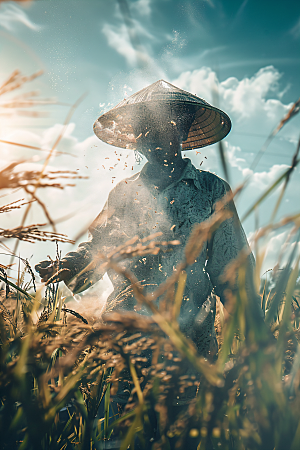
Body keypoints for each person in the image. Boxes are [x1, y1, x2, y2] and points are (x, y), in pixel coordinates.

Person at [35, 80, 260, 449]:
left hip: (191, 346)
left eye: (168, 127)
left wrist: (256, 338)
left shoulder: (211, 191)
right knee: (126, 435)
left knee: (187, 437)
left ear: (184, 131)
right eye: (147, 129)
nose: (157, 137)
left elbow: (232, 271)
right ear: (135, 138)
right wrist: (71, 263)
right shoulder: (123, 193)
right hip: (127, 343)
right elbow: (100, 246)